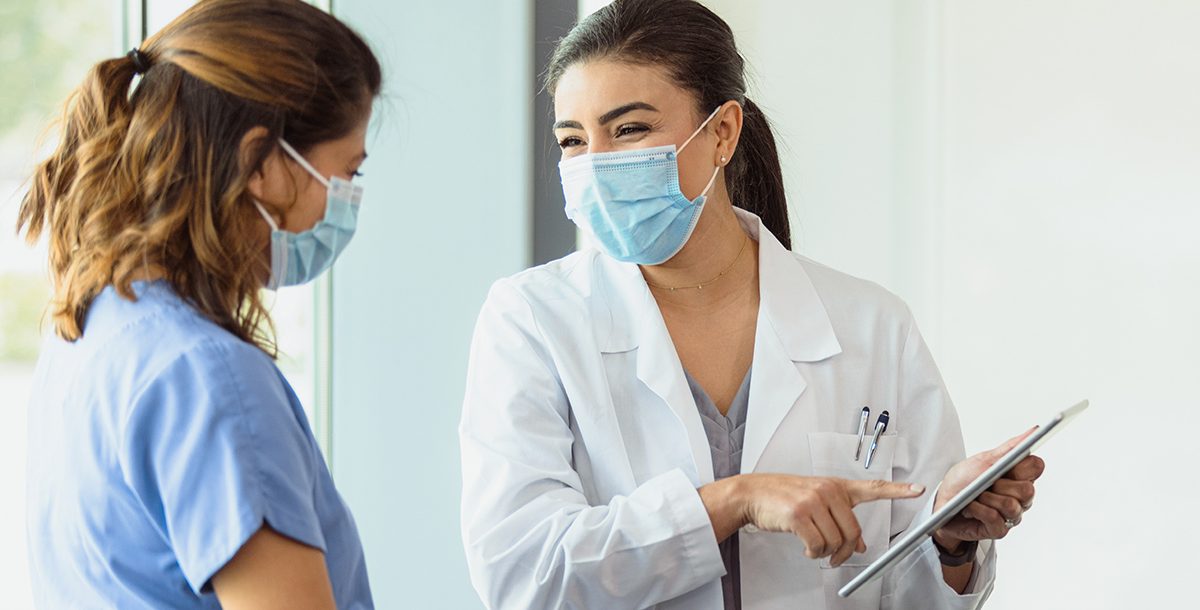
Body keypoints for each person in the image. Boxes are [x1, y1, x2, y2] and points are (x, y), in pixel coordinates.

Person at [458, 1, 1044, 608]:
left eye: (629, 129)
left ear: (722, 132)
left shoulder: (871, 325)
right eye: (573, 140)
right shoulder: (531, 319)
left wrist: (948, 541)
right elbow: (522, 572)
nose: (598, 165)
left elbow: (906, 594)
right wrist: (734, 500)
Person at [17, 0, 380, 607]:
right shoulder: (211, 378)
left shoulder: (92, 322)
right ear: (263, 164)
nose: (345, 204)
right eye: (347, 174)